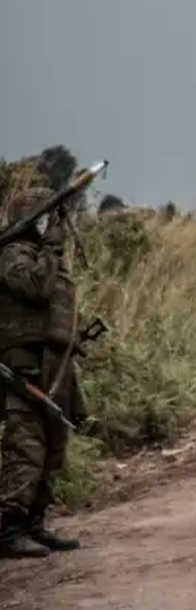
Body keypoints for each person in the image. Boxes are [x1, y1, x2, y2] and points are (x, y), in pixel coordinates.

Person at [0, 188, 84, 558]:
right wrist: (51, 247)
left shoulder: (42, 256)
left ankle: (35, 523)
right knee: (26, 447)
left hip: (55, 363)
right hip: (24, 365)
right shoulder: (11, 255)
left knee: (53, 445)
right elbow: (35, 288)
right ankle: (9, 528)